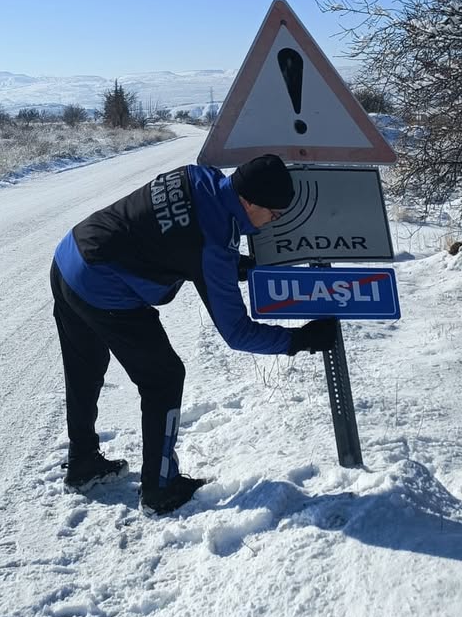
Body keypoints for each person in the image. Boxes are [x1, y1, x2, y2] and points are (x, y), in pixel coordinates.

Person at [50, 153, 338, 513]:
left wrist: (236, 266)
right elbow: (237, 332)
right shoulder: (213, 244)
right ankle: (160, 487)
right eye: (273, 214)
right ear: (249, 202)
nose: (271, 224)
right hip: (102, 283)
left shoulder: (202, 176)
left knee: (84, 366)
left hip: (69, 255)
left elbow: (177, 235)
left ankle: (82, 462)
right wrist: (301, 340)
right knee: (164, 376)